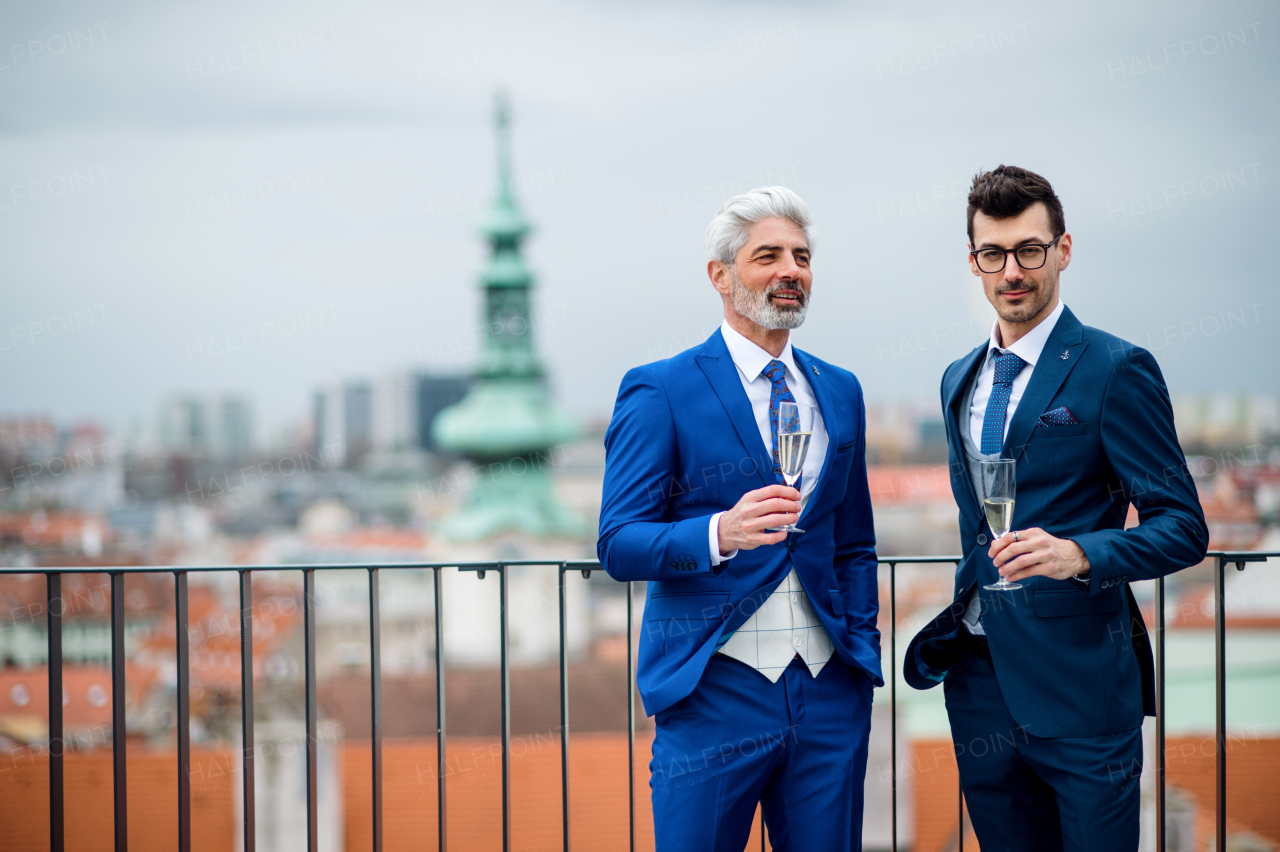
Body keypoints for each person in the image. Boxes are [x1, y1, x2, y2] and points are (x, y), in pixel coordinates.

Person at [904, 165, 1209, 852]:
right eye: (994, 254)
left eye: (1030, 250)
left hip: (1081, 692)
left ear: (1062, 250)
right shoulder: (960, 378)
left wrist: (1080, 555)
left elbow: (1184, 528)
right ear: (975, 263)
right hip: (982, 686)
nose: (1013, 270)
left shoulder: (1115, 368)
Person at [597, 187, 882, 851]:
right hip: (711, 689)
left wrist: (859, 650)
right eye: (768, 256)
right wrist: (718, 533)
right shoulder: (660, 388)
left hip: (828, 689)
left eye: (802, 256)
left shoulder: (840, 391)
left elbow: (855, 541)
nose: (791, 269)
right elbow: (618, 543)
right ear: (720, 276)